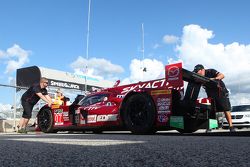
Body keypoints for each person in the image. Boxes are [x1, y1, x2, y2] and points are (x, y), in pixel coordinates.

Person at [193, 64, 236, 132]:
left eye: (197, 71)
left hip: (221, 92)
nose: (196, 73)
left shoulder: (211, 71)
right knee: (211, 111)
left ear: (202, 70)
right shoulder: (199, 77)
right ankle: (210, 127)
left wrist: (213, 79)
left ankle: (231, 126)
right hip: (211, 94)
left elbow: (222, 75)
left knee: (226, 109)